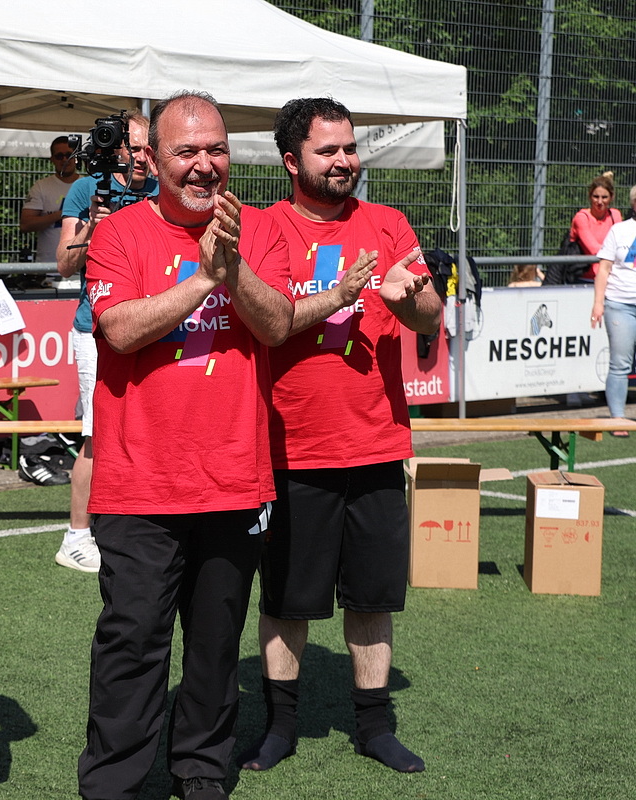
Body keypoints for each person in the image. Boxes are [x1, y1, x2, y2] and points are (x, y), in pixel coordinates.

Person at [78, 91, 294, 800]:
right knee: (133, 642)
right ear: (152, 158)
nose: (205, 165)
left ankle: (201, 770)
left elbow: (277, 323)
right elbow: (118, 330)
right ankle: (115, 782)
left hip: (233, 478)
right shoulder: (117, 234)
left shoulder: (260, 230)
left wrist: (234, 268)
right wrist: (204, 277)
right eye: (186, 152)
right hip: (139, 483)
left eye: (216, 150)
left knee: (215, 644)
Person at [239, 97, 441, 776]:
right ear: (291, 160)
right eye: (328, 150)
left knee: (373, 596)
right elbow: (268, 322)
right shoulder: (266, 228)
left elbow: (430, 317)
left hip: (378, 443)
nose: (344, 160)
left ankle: (374, 727)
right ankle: (280, 727)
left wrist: (412, 299)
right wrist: (340, 294)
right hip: (292, 447)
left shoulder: (387, 223)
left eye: (350, 148)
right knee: (287, 600)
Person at [52, 112, 157, 573]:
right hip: (94, 328)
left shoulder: (163, 190)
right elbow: (64, 264)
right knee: (98, 433)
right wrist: (93, 225)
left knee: (148, 426)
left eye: (148, 147)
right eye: (132, 146)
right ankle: (76, 536)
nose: (140, 156)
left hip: (151, 325)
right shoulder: (86, 188)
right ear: (116, 148)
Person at [590, 182, 636, 435]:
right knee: (620, 363)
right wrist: (598, 303)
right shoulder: (619, 231)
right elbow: (604, 269)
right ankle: (617, 419)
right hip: (620, 304)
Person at [20, 135, 78, 265]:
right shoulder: (41, 186)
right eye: (59, 156)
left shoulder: (88, 184)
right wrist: (60, 215)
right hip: (48, 266)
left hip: (81, 266)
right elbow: (25, 225)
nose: (65, 159)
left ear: (76, 157)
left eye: (69, 155)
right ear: (52, 159)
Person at [567, 172, 623, 282]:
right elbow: (594, 249)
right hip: (584, 279)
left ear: (611, 197)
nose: (600, 202)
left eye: (604, 197)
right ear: (590, 196)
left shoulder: (615, 215)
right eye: (596, 197)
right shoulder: (581, 217)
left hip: (611, 278)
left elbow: (621, 244)